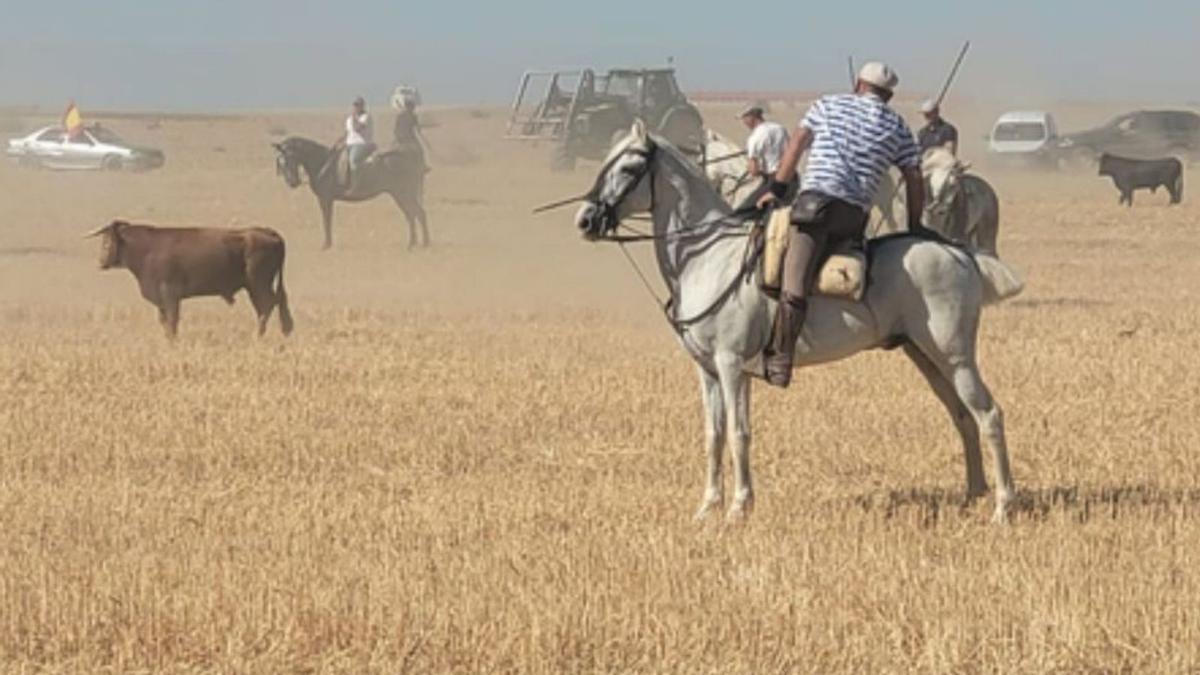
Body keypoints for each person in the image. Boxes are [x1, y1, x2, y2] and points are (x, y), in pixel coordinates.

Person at [755, 61, 926, 388]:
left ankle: (780, 357)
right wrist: (916, 225)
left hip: (815, 208)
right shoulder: (898, 126)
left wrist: (776, 188)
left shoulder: (828, 104)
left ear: (858, 84)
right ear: (888, 95)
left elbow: (797, 143)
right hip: (854, 218)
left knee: (794, 277)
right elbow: (914, 178)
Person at [736, 105, 793, 212]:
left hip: (774, 181)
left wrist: (751, 167)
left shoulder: (754, 138)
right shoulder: (780, 128)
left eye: (744, 118)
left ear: (751, 117)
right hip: (792, 179)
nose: (744, 122)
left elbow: (754, 171)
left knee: (744, 210)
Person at [392, 89, 428, 172]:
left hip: (398, 138)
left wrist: (397, 136)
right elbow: (417, 129)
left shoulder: (400, 116)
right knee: (420, 150)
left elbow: (396, 128)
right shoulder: (413, 115)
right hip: (409, 138)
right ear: (411, 107)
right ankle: (423, 166)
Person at [344, 96, 374, 188]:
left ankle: (357, 183)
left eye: (358, 105)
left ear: (362, 106)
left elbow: (358, 128)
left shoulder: (366, 117)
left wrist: (354, 117)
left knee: (353, 161)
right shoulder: (349, 119)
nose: (356, 107)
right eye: (355, 105)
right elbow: (348, 132)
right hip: (349, 143)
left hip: (361, 143)